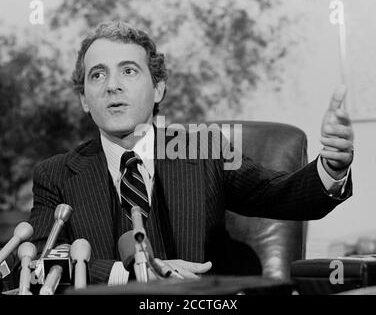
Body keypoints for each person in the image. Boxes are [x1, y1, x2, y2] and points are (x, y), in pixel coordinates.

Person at [28, 21, 354, 285]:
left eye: (128, 71)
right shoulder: (55, 175)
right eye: (97, 75)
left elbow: (281, 194)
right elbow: (38, 263)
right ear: (85, 98)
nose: (112, 85)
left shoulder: (202, 151)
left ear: (158, 89)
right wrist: (122, 273)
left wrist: (332, 167)